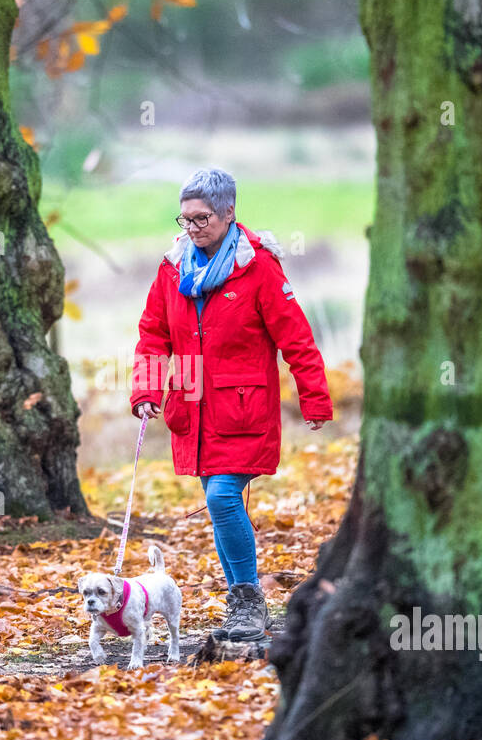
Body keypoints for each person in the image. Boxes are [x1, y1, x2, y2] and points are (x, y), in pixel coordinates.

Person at [130, 167, 333, 642]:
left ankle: (247, 599)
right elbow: (152, 335)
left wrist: (315, 398)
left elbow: (296, 338)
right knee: (217, 502)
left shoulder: (258, 266)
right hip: (192, 409)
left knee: (222, 496)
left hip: (244, 411)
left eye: (201, 219)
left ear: (228, 213)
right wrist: (145, 391)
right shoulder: (172, 266)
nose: (192, 229)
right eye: (185, 220)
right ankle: (240, 599)